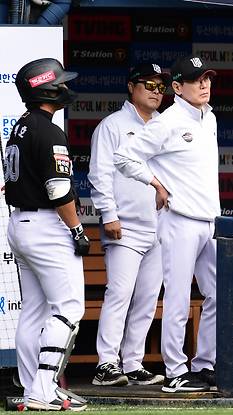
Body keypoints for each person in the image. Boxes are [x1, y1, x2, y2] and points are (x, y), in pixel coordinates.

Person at [114, 55, 220, 393]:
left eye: (206, 78)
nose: (203, 85)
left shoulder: (211, 117)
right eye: (195, 80)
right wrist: (156, 184)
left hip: (209, 219)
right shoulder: (168, 120)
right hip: (179, 219)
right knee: (177, 297)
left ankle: (204, 364)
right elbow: (124, 156)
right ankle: (175, 371)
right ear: (177, 87)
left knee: (216, 294)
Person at [4, 58, 89, 411]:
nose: (67, 88)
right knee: (68, 309)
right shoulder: (49, 131)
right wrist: (78, 229)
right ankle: (42, 389)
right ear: (47, 88)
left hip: (20, 226)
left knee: (34, 312)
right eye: (62, 83)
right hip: (44, 227)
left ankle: (33, 388)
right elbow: (58, 191)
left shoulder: (22, 126)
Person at [88, 63, 170, 387]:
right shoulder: (113, 125)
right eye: (148, 84)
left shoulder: (167, 125)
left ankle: (133, 362)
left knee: (148, 297)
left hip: (161, 225)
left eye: (161, 86)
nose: (155, 91)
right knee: (120, 293)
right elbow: (99, 172)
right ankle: (106, 364)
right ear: (131, 87)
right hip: (126, 225)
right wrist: (109, 214)